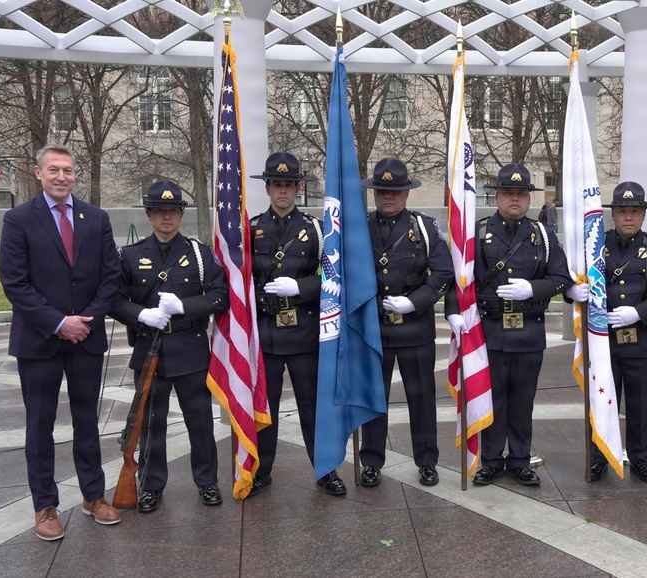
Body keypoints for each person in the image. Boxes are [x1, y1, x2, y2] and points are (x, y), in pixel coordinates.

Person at [0, 144, 122, 540]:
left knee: (88, 421)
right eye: (53, 170)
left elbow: (110, 276)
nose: (61, 177)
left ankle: (93, 495)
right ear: (39, 174)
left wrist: (84, 321)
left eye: (68, 170)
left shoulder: (96, 218)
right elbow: (14, 283)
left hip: (85, 336)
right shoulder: (18, 219)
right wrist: (58, 323)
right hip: (39, 340)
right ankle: (45, 505)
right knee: (40, 425)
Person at [447, 163, 571, 487]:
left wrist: (534, 288)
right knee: (493, 398)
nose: (514, 199)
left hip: (529, 330)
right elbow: (458, 280)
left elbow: (561, 278)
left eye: (521, 194)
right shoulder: (479, 232)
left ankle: (519, 459)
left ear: (529, 199)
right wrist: (452, 312)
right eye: (508, 193)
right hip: (490, 330)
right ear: (497, 196)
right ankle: (490, 460)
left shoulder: (543, 235)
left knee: (522, 401)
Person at [110, 180, 229, 513]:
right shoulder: (131, 256)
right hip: (151, 351)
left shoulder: (199, 254)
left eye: (173, 211)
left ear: (181, 214)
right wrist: (142, 315)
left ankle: (207, 482)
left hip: (191, 348)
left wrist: (185, 307)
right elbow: (115, 300)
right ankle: (150, 485)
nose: (167, 217)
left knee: (200, 422)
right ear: (148, 215)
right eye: (159, 211)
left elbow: (221, 296)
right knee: (150, 424)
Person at [246, 152, 347, 497]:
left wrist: (302, 288)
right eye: (277, 185)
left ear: (299, 188)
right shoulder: (252, 229)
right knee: (265, 407)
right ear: (269, 188)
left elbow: (336, 278)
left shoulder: (316, 230)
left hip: (303, 333)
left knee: (312, 407)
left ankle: (324, 469)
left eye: (289, 185)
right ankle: (261, 469)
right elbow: (239, 280)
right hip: (265, 332)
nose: (283, 192)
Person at [358, 157, 454, 488]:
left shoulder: (425, 229)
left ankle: (427, 461)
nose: (389, 197)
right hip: (374, 329)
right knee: (373, 398)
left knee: (422, 397)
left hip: (414, 328)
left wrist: (413, 302)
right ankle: (370, 461)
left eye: (395, 191)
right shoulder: (359, 228)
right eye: (382, 191)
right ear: (373, 193)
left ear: (407, 194)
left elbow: (444, 273)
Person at [588, 182, 647, 483]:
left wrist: (638, 312)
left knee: (640, 404)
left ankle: (640, 458)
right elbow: (578, 280)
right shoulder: (596, 244)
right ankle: (599, 457)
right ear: (613, 214)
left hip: (641, 338)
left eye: (635, 212)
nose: (629, 217)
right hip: (604, 339)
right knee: (603, 402)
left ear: (643, 215)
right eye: (623, 211)